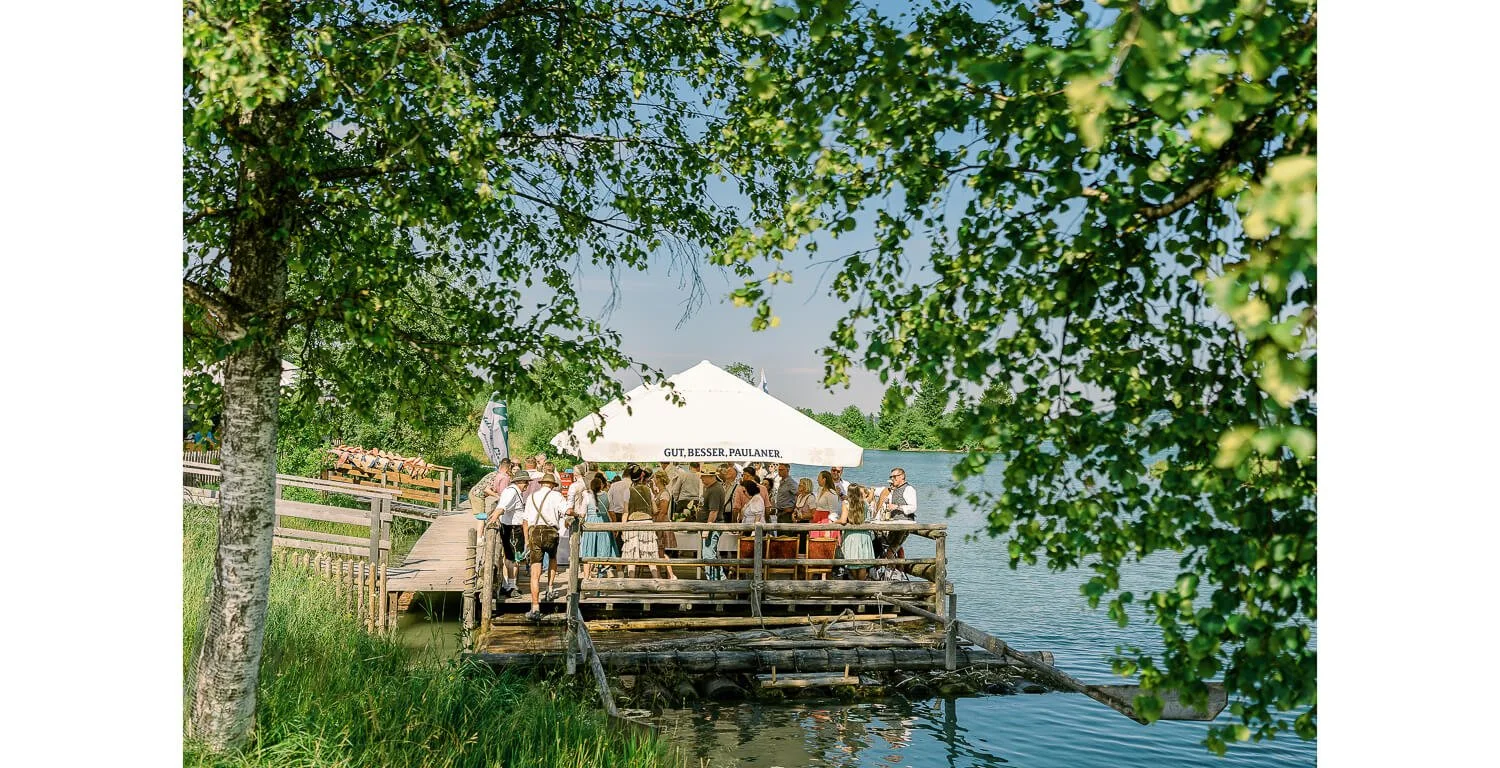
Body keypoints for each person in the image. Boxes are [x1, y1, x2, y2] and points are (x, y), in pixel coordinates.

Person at [521, 471, 568, 621]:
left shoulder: (531, 497)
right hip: (551, 531)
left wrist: (527, 540)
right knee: (553, 558)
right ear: (553, 485)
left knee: (535, 572)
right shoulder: (557, 496)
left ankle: (535, 607)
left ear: (541, 484)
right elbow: (567, 511)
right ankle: (550, 588)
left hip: (535, 532)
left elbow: (525, 520)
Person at [621, 466, 665, 579]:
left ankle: (631, 581)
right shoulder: (648, 490)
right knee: (650, 554)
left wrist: (622, 528)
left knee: (631, 555)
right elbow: (655, 510)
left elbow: (625, 512)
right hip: (647, 523)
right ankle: (656, 580)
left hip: (632, 524)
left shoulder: (627, 491)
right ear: (642, 477)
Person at [573, 473, 618, 578]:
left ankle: (586, 576)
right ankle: (601, 573)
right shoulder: (606, 496)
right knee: (604, 549)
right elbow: (611, 512)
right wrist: (615, 526)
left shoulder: (587, 497)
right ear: (601, 486)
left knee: (588, 549)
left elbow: (582, 513)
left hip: (591, 524)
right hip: (604, 523)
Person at [490, 467, 526, 597]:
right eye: (526, 482)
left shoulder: (511, 491)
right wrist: (493, 517)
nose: (527, 485)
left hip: (509, 526)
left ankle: (508, 584)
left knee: (510, 557)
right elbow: (502, 506)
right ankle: (511, 585)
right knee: (514, 558)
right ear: (520, 482)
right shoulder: (512, 492)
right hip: (513, 528)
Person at [877, 467, 917, 559]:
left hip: (904, 524)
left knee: (891, 550)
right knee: (883, 546)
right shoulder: (895, 490)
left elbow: (913, 507)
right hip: (894, 524)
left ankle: (890, 571)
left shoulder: (909, 489)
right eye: (891, 477)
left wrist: (897, 507)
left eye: (894, 477)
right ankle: (888, 570)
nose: (892, 479)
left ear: (902, 477)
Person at [838, 485, 875, 580]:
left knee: (851, 562)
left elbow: (843, 521)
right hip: (864, 535)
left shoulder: (846, 503)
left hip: (851, 535)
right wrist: (872, 490)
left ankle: (857, 583)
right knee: (862, 564)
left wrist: (834, 521)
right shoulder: (865, 503)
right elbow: (870, 498)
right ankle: (861, 585)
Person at [699, 464, 729, 580]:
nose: (701, 478)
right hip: (710, 525)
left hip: (712, 526)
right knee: (709, 553)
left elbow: (714, 511)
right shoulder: (712, 488)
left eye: (703, 476)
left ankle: (716, 580)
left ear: (711, 477)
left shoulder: (715, 490)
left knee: (708, 554)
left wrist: (707, 528)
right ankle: (717, 579)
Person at [650, 470, 678, 575]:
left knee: (660, 551)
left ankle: (670, 574)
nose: (653, 480)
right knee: (658, 550)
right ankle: (660, 573)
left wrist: (656, 526)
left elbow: (663, 511)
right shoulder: (660, 492)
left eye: (655, 478)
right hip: (658, 522)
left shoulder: (665, 493)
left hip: (660, 523)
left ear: (659, 479)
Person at [811, 470, 842, 541]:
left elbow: (833, 512)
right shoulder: (819, 490)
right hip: (818, 518)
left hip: (825, 520)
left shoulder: (831, 493)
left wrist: (828, 529)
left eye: (819, 478)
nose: (817, 479)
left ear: (824, 479)